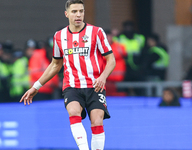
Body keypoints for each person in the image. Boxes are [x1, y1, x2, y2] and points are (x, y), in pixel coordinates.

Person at [20, 1, 116, 150]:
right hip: (72, 85)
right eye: (74, 11)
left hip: (95, 85)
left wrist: (103, 77)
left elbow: (111, 60)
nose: (78, 15)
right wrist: (36, 86)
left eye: (81, 11)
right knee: (73, 111)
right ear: (66, 14)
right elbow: (55, 65)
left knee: (97, 121)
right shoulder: (59, 36)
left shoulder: (96, 32)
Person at [104, 29, 127, 96]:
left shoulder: (119, 47)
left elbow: (124, 55)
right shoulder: (100, 47)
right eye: (106, 37)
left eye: (109, 36)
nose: (108, 38)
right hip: (105, 78)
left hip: (119, 77)